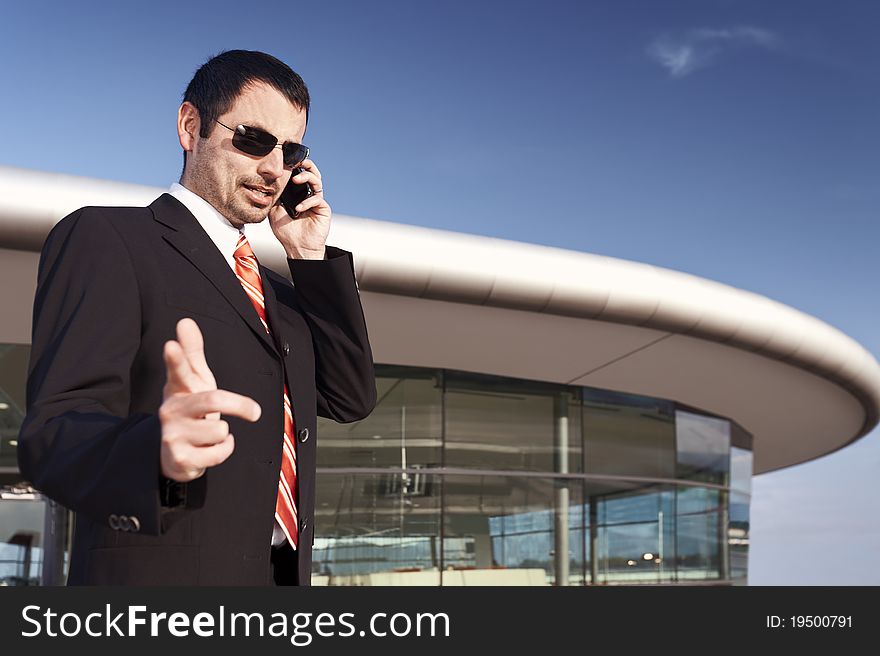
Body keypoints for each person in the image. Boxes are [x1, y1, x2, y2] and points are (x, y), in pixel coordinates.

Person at [17, 50, 376, 586]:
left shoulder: (280, 293)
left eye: (291, 150)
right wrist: (155, 453)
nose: (274, 168)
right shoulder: (108, 239)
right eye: (254, 139)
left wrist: (309, 257)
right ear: (191, 127)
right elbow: (55, 433)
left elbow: (349, 397)